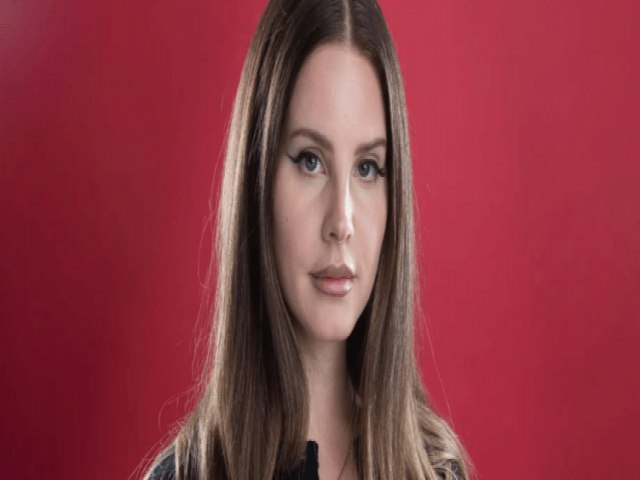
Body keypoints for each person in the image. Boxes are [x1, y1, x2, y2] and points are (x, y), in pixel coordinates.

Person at [144, 0, 469, 478]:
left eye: (367, 167)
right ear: (257, 178)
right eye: (310, 161)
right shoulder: (190, 474)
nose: (342, 220)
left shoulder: (436, 471)